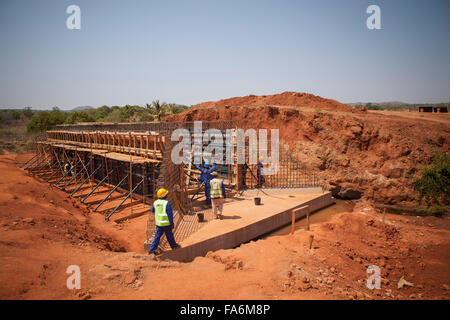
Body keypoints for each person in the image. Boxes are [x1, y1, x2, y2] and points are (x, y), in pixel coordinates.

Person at [148, 188, 180, 255]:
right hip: (166, 224)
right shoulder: (167, 203)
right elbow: (170, 215)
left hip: (159, 224)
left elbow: (152, 210)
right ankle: (174, 246)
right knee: (169, 236)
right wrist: (171, 223)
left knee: (157, 237)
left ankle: (151, 250)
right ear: (164, 195)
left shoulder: (155, 203)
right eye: (166, 194)